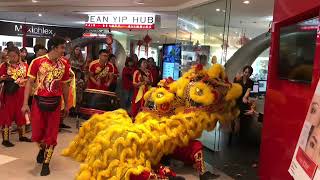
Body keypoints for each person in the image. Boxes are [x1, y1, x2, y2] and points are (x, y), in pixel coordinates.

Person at [21, 36, 70, 176]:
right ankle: (42, 149)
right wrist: (25, 103)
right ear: (54, 47)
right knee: (36, 134)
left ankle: (46, 163)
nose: (63, 50)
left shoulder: (65, 64)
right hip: (38, 101)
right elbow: (29, 83)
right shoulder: (37, 62)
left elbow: (65, 85)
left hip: (55, 103)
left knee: (52, 134)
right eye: (62, 47)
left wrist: (67, 105)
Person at [0, 47, 31, 147]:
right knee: (6, 115)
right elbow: (0, 77)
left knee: (21, 114)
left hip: (21, 93)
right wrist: (8, 78)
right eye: (10, 56)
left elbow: (29, 79)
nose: (12, 58)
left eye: (14, 56)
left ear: (19, 55)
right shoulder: (5, 65)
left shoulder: (25, 65)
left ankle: (22, 136)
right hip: (9, 93)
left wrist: (23, 81)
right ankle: (5, 139)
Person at [233, 65, 254, 140]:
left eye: (248, 73)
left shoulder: (251, 82)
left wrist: (245, 97)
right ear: (243, 72)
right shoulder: (237, 79)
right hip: (236, 100)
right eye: (245, 72)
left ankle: (240, 132)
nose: (246, 74)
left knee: (246, 112)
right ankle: (236, 126)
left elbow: (248, 90)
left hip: (243, 101)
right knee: (239, 111)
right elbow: (233, 90)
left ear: (250, 74)